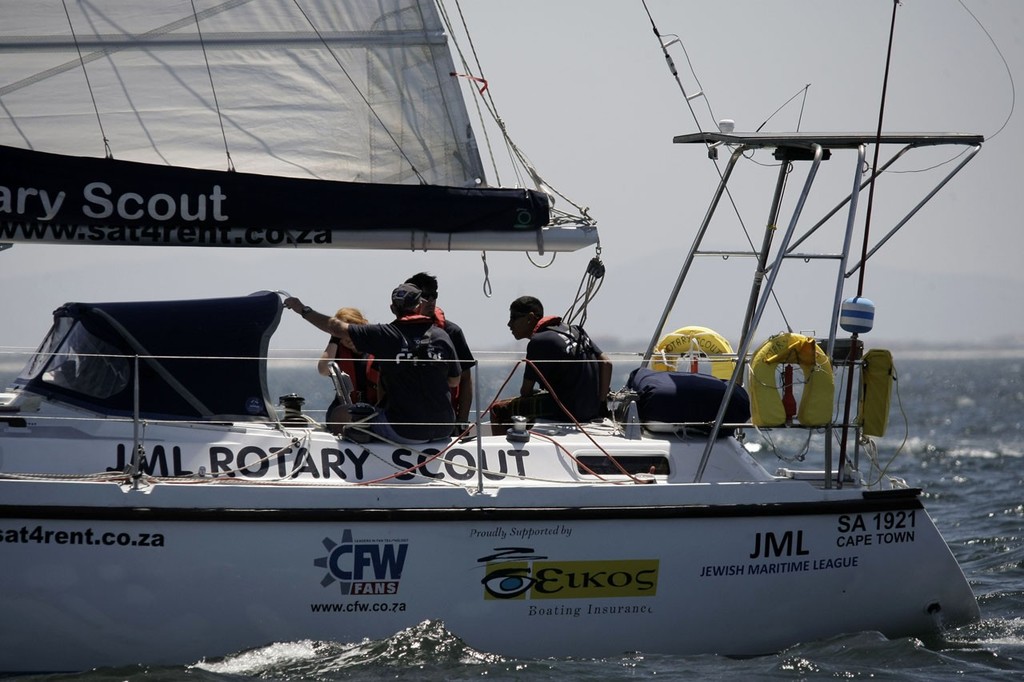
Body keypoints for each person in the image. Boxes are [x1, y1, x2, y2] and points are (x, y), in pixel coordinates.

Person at [284, 284, 461, 443]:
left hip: (404, 431)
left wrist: (302, 309)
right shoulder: (442, 336)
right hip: (444, 428)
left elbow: (336, 327)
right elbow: (454, 381)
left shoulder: (384, 335)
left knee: (340, 414)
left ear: (392, 308)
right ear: (420, 306)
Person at [490, 295, 612, 434]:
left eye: (513, 318)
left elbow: (525, 391)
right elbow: (606, 363)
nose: (509, 324)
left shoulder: (539, 341)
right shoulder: (576, 330)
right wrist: (601, 404)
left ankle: (506, 450)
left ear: (530, 318)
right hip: (593, 409)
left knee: (498, 409)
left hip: (567, 412)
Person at [404, 272, 475, 427]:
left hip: (444, 418)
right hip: (404, 418)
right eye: (425, 296)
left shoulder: (452, 332)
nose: (430, 301)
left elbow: (465, 379)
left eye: (434, 296)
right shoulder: (395, 332)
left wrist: (462, 422)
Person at [316, 307, 378, 434]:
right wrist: (334, 338)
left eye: (351, 332)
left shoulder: (378, 347)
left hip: (374, 409)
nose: (348, 339)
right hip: (345, 410)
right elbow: (323, 370)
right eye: (342, 335)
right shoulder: (337, 351)